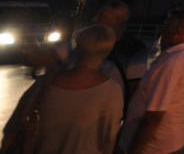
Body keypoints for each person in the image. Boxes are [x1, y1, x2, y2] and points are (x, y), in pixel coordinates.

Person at [3, 24, 122, 154]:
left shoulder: (45, 83)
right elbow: (109, 139)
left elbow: (13, 126)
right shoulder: (111, 91)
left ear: (76, 49)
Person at [118, 9, 184, 154]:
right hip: (176, 137)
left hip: (156, 146)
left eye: (167, 24)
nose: (162, 28)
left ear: (177, 30)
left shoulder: (173, 62)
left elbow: (153, 117)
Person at [94, 1, 149, 108]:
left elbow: (134, 88)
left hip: (111, 109)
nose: (95, 19)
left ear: (119, 21)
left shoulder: (134, 48)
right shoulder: (91, 40)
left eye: (102, 16)